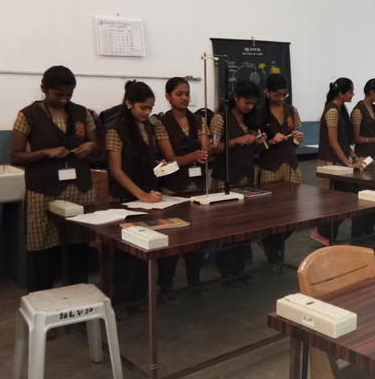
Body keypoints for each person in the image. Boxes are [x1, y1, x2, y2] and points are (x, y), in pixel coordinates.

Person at [10, 66, 100, 299]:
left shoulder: (82, 113)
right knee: (42, 251)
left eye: (69, 95)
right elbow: (15, 156)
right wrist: (46, 152)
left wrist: (90, 146)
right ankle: (41, 302)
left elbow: (96, 145)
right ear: (43, 88)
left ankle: (78, 300)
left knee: (78, 249)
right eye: (58, 95)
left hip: (79, 189)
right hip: (43, 192)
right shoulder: (27, 115)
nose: (64, 100)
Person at [106, 80, 161, 318]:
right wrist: (141, 195)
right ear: (129, 104)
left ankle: (139, 296)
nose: (147, 112)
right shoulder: (115, 129)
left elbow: (149, 159)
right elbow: (116, 170)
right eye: (143, 108)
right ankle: (120, 301)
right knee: (127, 253)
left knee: (146, 248)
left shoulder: (149, 127)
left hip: (147, 194)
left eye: (150, 108)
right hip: (126, 198)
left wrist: (159, 167)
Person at [154, 77, 210, 299]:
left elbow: (206, 149)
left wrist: (207, 148)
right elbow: (169, 158)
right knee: (172, 238)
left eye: (187, 94)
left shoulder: (199, 120)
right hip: (173, 187)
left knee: (196, 237)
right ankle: (166, 286)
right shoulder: (161, 123)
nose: (185, 98)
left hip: (198, 185)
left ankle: (194, 280)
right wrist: (193, 156)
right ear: (168, 97)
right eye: (179, 94)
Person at [208, 80, 267, 285]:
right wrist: (236, 141)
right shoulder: (220, 119)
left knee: (245, 226)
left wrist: (259, 142)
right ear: (235, 97)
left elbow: (255, 149)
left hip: (246, 178)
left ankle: (240, 269)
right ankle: (227, 272)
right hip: (225, 178)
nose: (250, 107)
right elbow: (211, 149)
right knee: (227, 227)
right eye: (246, 102)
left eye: (253, 103)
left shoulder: (252, 118)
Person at [310, 78, 365, 245]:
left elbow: (343, 141)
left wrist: (354, 157)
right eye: (350, 92)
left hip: (339, 163)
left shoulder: (340, 109)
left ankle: (327, 235)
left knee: (344, 201)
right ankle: (324, 233)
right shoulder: (332, 111)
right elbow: (333, 142)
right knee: (337, 202)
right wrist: (349, 163)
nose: (353, 94)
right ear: (341, 94)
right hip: (331, 164)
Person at [257, 75, 304, 269]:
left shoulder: (292, 110)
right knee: (272, 214)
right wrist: (270, 142)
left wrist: (298, 138)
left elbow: (296, 141)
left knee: (293, 214)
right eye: (277, 95)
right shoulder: (259, 112)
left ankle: (271, 245)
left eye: (285, 94)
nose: (281, 98)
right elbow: (256, 147)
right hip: (270, 167)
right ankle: (272, 248)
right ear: (267, 92)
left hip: (291, 166)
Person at [350, 78, 375, 238]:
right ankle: (357, 232)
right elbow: (356, 138)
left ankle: (369, 228)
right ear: (372, 92)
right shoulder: (358, 111)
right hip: (363, 157)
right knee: (364, 196)